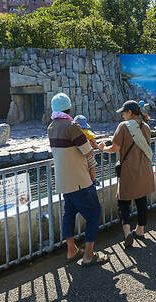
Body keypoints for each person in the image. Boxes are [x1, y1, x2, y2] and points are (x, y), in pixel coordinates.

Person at [47, 93, 108, 267]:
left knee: (69, 214)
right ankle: (89, 255)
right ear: (69, 108)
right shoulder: (72, 126)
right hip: (80, 180)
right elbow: (88, 151)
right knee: (94, 213)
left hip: (63, 181)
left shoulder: (51, 127)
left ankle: (71, 249)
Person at [99, 100, 155, 249]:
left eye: (124, 112)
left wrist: (103, 148)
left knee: (123, 201)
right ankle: (141, 230)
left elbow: (115, 148)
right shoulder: (146, 127)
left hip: (129, 170)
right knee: (141, 199)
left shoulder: (123, 127)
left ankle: (127, 232)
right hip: (144, 169)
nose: (122, 115)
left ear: (130, 112)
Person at [74, 115, 99, 185]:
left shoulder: (74, 132)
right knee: (92, 165)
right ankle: (93, 180)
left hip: (77, 153)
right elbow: (94, 142)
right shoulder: (87, 132)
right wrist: (97, 146)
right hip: (86, 152)